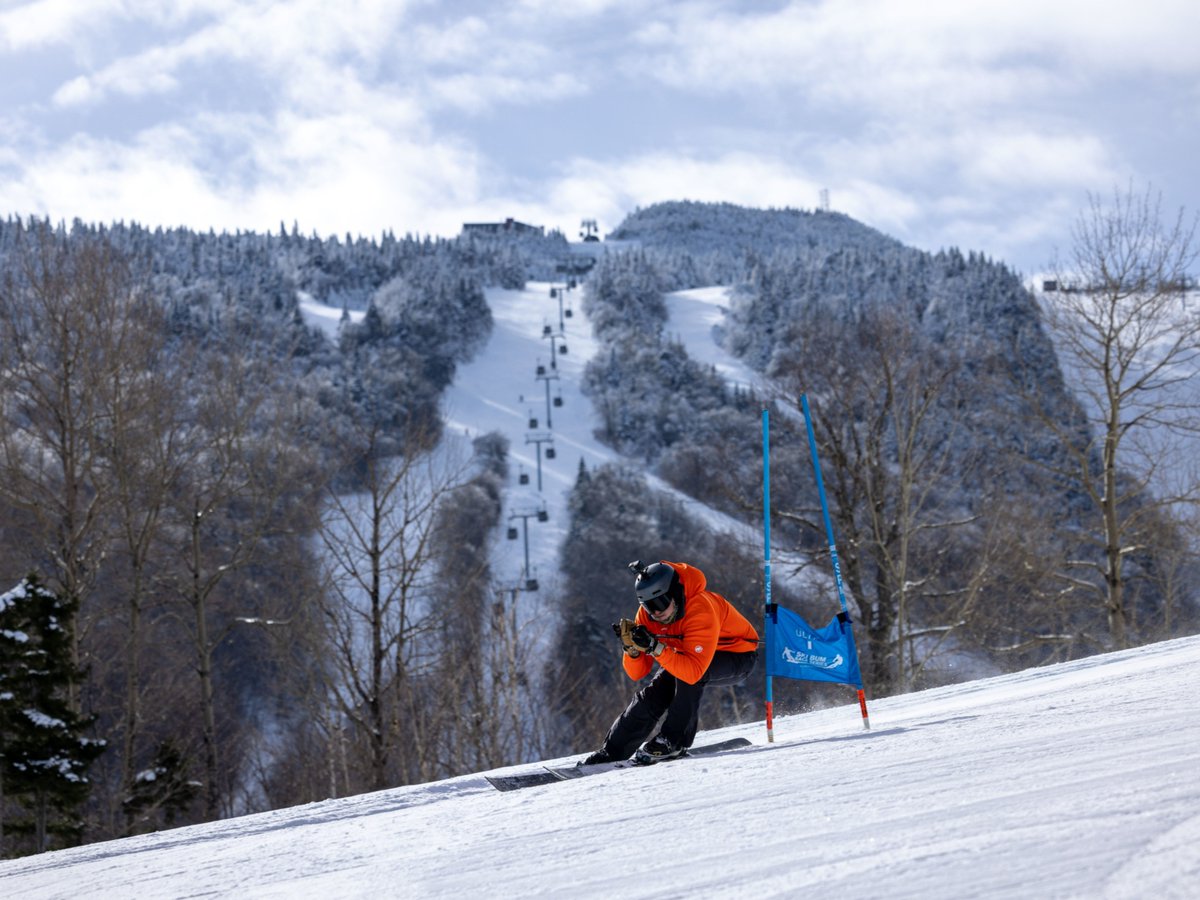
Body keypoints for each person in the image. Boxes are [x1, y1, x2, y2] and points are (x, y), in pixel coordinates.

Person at [582, 559, 760, 766]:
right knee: (656, 691)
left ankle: (673, 741)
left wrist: (655, 648)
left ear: (675, 593)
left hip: (737, 656)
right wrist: (632, 649)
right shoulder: (647, 617)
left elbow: (693, 671)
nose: (656, 612)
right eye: (649, 606)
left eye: (661, 602)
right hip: (689, 657)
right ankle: (612, 751)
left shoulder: (700, 608)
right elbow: (637, 673)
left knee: (689, 678)